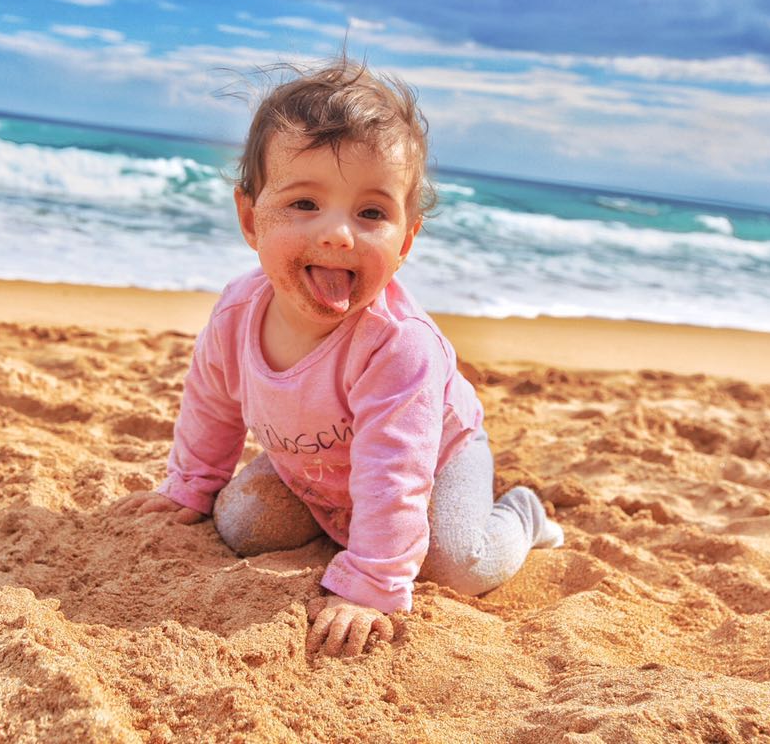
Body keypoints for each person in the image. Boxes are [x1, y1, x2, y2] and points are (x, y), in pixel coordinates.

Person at [111, 57, 563, 657]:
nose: (338, 234)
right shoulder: (238, 313)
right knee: (242, 524)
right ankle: (351, 531)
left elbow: (397, 472)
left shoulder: (397, 345)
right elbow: (212, 403)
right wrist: (190, 485)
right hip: (319, 467)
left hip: (435, 458)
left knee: (455, 564)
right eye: (304, 204)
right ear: (250, 218)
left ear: (404, 241)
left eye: (371, 213)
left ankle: (523, 515)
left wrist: (372, 583)